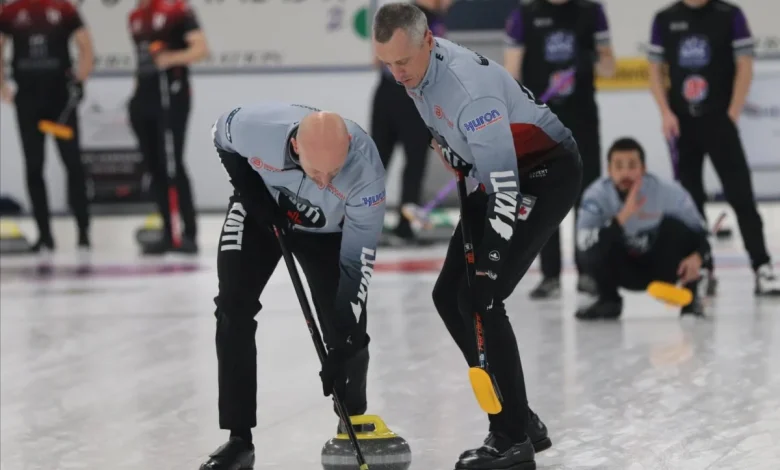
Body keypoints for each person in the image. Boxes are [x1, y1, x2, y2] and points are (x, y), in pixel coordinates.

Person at [373, 3, 583, 468]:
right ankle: (519, 416)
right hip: (493, 176)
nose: (397, 74)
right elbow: (466, 154)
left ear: (428, 41)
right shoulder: (417, 71)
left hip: (542, 174)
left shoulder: (469, 92)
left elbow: (506, 191)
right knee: (448, 297)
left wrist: (488, 270)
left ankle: (511, 438)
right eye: (388, 64)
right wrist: (459, 157)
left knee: (481, 297)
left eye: (403, 61)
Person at [200, 103, 387, 470]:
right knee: (233, 308)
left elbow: (358, 264)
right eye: (316, 172)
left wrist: (342, 341)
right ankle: (239, 438)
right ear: (296, 147)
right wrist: (254, 197)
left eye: (335, 172)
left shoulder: (367, 172)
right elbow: (220, 137)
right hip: (261, 212)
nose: (325, 183)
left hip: (327, 231)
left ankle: (351, 421)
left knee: (347, 331)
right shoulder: (256, 125)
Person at [647, 0, 780, 295]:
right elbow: (654, 70)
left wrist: (732, 113)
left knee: (741, 195)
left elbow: (745, 65)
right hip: (682, 124)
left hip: (720, 121)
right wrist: (665, 113)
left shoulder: (729, 15)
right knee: (690, 203)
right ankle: (702, 267)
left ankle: (761, 266)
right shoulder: (665, 19)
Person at [503, 0, 616, 299]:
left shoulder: (591, 12)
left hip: (582, 119)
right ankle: (549, 274)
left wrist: (593, 56)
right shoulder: (525, 15)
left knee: (587, 194)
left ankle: (588, 270)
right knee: (542, 195)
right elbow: (511, 73)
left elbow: (610, 68)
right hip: (541, 121)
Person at [575, 138, 714, 319]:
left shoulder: (668, 192)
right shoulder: (596, 196)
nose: (625, 173)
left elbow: (702, 234)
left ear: (643, 169)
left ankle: (691, 296)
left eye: (632, 166)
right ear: (609, 170)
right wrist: (622, 217)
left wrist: (697, 256)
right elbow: (583, 243)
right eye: (618, 166)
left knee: (678, 229)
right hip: (622, 268)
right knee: (593, 243)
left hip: (661, 267)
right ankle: (608, 300)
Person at [0, 0, 94, 258]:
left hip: (61, 100)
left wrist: (80, 80)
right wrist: (3, 85)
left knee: (73, 164)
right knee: (34, 166)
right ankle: (45, 236)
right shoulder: (11, 11)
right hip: (28, 101)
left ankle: (83, 232)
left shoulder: (63, 8)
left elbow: (85, 45)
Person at [127, 0, 208, 255]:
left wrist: (171, 58)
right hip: (145, 95)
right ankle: (167, 231)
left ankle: (188, 233)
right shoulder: (135, 16)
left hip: (171, 93)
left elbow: (201, 49)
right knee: (154, 165)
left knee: (172, 162)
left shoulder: (177, 10)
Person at [370, 0, 450, 245]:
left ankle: (364, 226)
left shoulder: (401, 15)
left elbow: (377, 58)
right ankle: (403, 229)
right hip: (411, 95)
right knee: (410, 164)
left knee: (378, 163)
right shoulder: (424, 20)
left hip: (388, 92)